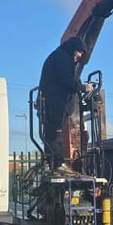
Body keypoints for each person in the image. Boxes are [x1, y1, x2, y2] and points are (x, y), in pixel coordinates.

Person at [38, 36, 89, 175]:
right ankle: (57, 163)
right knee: (55, 134)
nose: (79, 56)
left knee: (53, 133)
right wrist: (82, 87)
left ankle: (56, 162)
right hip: (55, 102)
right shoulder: (62, 58)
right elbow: (66, 80)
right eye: (79, 52)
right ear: (74, 49)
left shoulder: (59, 56)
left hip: (54, 101)